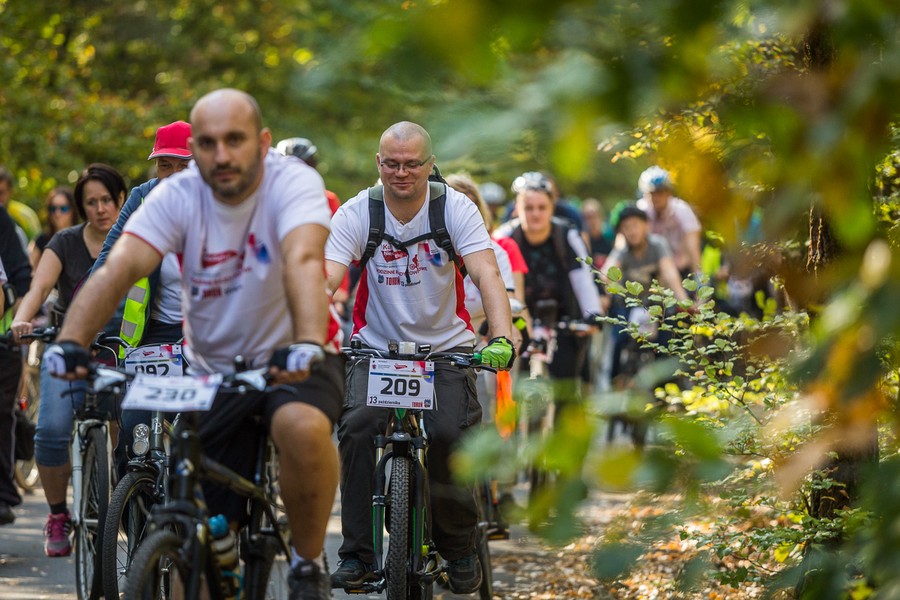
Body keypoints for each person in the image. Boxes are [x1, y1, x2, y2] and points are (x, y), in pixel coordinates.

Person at [43, 88, 344, 599]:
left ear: (263, 142)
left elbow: (304, 260)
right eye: (207, 143)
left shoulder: (292, 182)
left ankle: (306, 563)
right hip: (211, 371)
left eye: (235, 140)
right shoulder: (176, 196)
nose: (221, 155)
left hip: (294, 355)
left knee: (299, 423)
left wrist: (307, 342)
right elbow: (119, 267)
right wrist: (72, 341)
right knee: (196, 548)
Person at [325, 121, 514, 594]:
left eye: (412, 164)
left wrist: (503, 337)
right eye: (392, 163)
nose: (402, 173)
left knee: (451, 434)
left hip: (444, 350)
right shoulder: (358, 212)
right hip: (377, 348)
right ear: (378, 163)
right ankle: (358, 555)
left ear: (430, 165)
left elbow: (487, 273)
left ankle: (456, 544)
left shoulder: (454, 208)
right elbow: (326, 277)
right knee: (357, 429)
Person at [10, 163, 125, 555]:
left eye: (106, 200)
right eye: (90, 202)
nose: (99, 209)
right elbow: (40, 286)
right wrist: (23, 318)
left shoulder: (136, 239)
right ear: (81, 208)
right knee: (51, 432)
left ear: (121, 200)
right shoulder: (65, 242)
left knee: (129, 430)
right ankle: (58, 514)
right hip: (67, 345)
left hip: (119, 349)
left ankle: (129, 497)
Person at [90, 120, 192, 473]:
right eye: (166, 165)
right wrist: (83, 324)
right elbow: (107, 261)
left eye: (185, 165)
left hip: (207, 336)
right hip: (155, 336)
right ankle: (144, 524)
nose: (174, 174)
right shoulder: (143, 197)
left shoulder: (222, 201)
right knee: (134, 434)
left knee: (199, 438)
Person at [494, 171, 602, 400]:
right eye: (529, 208)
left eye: (542, 207)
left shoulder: (567, 236)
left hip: (562, 318)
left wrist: (593, 313)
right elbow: (493, 281)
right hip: (520, 319)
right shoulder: (504, 237)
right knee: (512, 390)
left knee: (566, 391)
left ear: (552, 207)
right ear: (517, 209)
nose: (535, 214)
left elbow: (583, 276)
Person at [600, 205, 689, 380]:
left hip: (657, 304)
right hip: (629, 304)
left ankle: (668, 384)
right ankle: (615, 381)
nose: (632, 231)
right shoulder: (622, 251)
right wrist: (603, 295)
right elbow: (607, 274)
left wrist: (683, 300)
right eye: (626, 227)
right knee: (618, 339)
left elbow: (670, 273)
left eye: (635, 225)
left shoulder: (658, 245)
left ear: (646, 225)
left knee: (667, 342)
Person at [0, 205, 32, 526]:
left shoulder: (2, 221)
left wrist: (17, 328)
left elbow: (18, 283)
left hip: (4, 342)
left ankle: (3, 492)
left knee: (2, 413)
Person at [635, 165, 702, 278]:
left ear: (669, 193)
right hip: (650, 269)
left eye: (660, 192)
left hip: (680, 267)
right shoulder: (640, 211)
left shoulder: (682, 210)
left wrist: (699, 280)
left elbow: (693, 247)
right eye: (652, 193)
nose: (656, 197)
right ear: (645, 194)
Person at [30, 187, 79, 271]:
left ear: (73, 210)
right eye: (53, 209)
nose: (57, 214)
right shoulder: (42, 240)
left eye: (63, 208)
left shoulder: (82, 238)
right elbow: (30, 270)